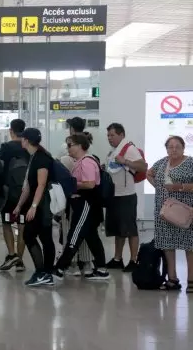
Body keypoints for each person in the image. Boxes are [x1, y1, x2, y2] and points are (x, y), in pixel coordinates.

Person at [53, 133, 110, 281]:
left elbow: (90, 184)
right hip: (84, 204)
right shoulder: (80, 162)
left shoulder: (86, 162)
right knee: (91, 237)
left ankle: (60, 267)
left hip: (86, 204)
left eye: (70, 145)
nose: (68, 148)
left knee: (74, 235)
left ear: (79, 146)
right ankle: (102, 269)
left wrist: (72, 184)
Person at [146, 136, 193, 292]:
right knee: (167, 245)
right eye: (170, 147)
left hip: (184, 210)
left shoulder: (190, 163)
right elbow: (149, 173)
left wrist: (180, 187)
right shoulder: (162, 162)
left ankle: (191, 280)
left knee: (189, 245)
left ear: (183, 148)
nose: (173, 150)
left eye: (177, 147)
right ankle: (172, 279)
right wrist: (159, 188)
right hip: (164, 211)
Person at [13, 128, 56, 288]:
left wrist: (33, 206)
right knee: (44, 238)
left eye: (22, 139)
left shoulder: (41, 158)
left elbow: (41, 184)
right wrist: (19, 205)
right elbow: (28, 187)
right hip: (37, 204)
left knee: (30, 235)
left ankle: (42, 272)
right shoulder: (34, 157)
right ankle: (46, 273)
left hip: (42, 206)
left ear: (26, 140)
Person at [105, 123, 147, 272]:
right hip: (114, 196)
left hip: (126, 196)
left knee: (130, 230)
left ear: (121, 135)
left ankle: (133, 260)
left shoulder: (129, 148)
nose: (109, 138)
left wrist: (125, 161)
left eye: (112, 135)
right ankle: (117, 259)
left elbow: (143, 166)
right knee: (118, 230)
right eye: (108, 135)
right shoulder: (113, 151)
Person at [0, 119, 28, 272]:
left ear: (11, 131)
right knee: (22, 225)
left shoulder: (6, 148)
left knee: (7, 223)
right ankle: (20, 260)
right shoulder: (28, 147)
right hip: (25, 193)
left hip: (9, 193)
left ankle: (11, 254)